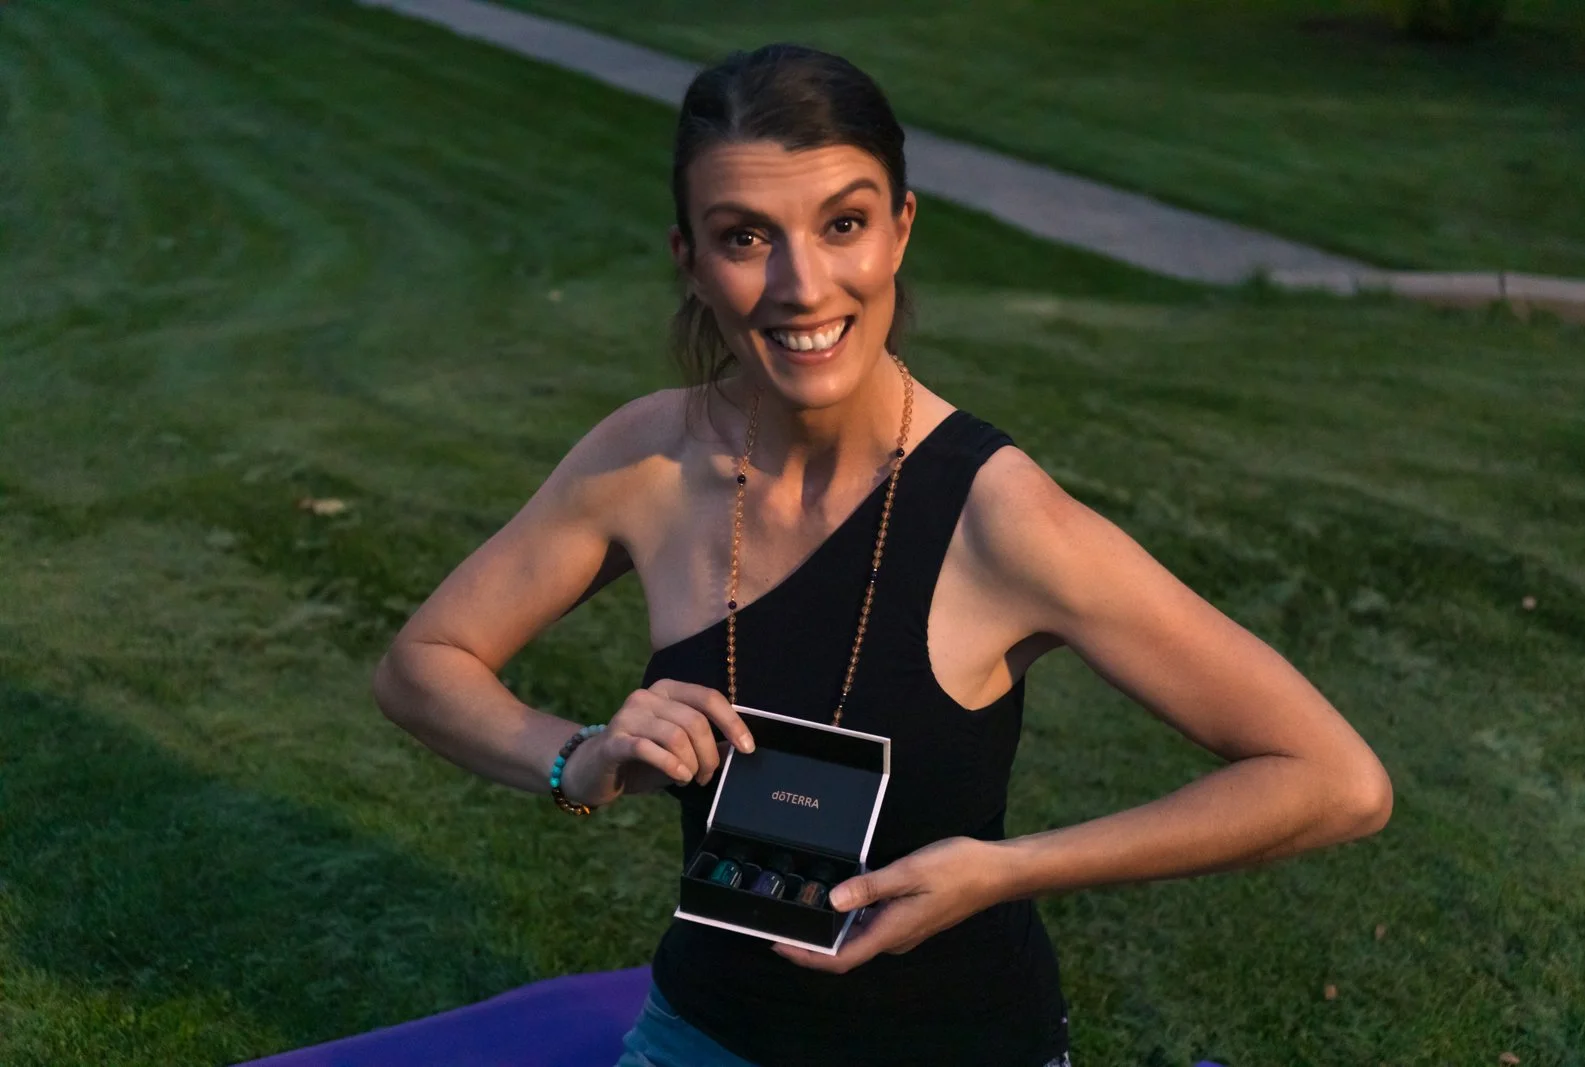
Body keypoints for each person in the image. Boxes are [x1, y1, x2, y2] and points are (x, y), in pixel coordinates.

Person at [371, 43, 1393, 1067]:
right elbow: (423, 664)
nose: (802, 285)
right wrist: (577, 758)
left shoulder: (1001, 517)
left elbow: (1333, 778)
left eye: (843, 224)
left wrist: (1005, 869)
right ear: (688, 258)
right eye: (745, 237)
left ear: (900, 230)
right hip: (698, 1035)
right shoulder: (647, 458)